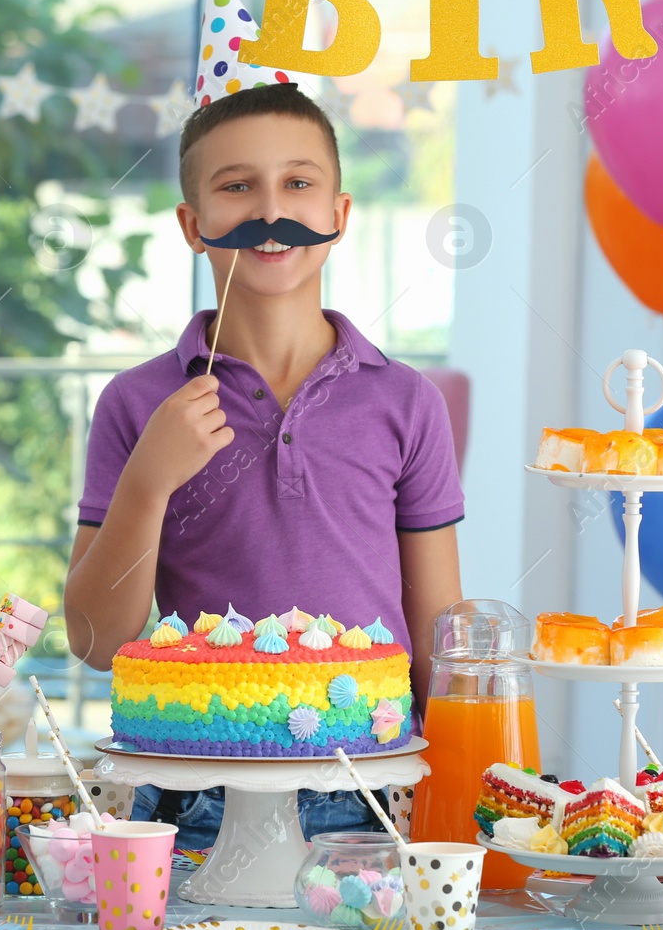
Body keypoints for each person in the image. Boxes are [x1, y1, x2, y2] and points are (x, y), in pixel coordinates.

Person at [63, 82, 464, 849]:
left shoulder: (407, 402)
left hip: (373, 797)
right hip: (190, 809)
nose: (269, 211)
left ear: (339, 215)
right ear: (193, 224)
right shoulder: (136, 401)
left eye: (299, 184)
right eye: (237, 186)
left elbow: (438, 640)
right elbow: (93, 639)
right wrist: (149, 481)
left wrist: (448, 808)